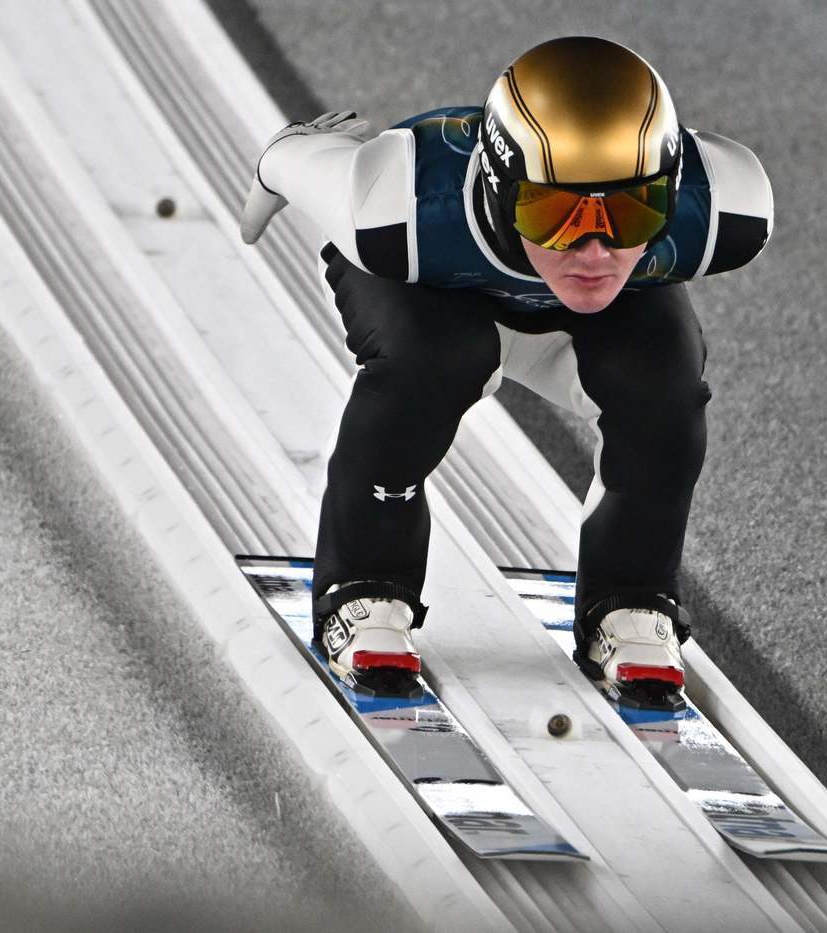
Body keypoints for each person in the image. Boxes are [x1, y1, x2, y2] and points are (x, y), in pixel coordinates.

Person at [240, 36, 772, 706]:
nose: (595, 252)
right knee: (429, 361)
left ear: (670, 191)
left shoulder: (727, 209)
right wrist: (286, 158)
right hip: (430, 295)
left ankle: (632, 596)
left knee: (665, 386)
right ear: (496, 191)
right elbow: (287, 160)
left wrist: (566, 223)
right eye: (554, 214)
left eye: (632, 211)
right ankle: (365, 584)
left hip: (586, 322)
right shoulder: (396, 206)